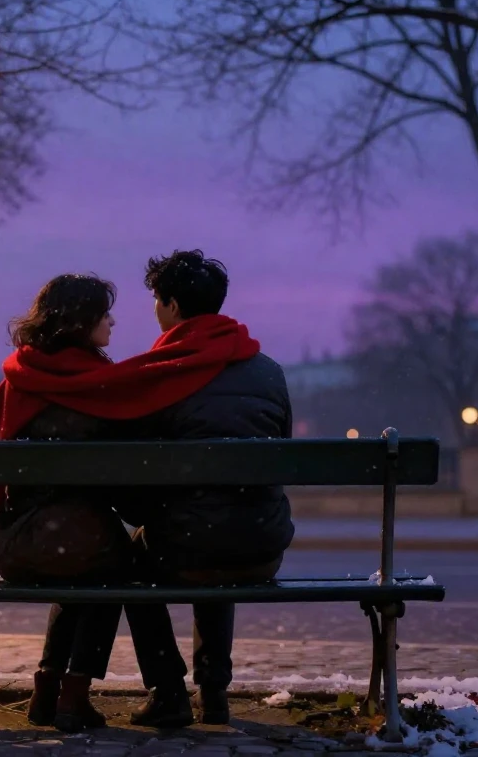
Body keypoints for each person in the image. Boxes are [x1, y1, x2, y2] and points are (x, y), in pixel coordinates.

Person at [0, 273, 262, 731]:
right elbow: (126, 489)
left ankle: (47, 690)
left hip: (15, 546)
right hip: (80, 545)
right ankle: (75, 695)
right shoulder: (102, 387)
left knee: (87, 560)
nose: (113, 322)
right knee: (114, 564)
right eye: (104, 314)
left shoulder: (18, 378)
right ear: (83, 322)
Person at [119, 250, 295, 728]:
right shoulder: (268, 370)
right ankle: (213, 690)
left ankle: (168, 689)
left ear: (172, 305)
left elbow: (137, 476)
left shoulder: (160, 372)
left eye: (157, 301)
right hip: (261, 544)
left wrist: (145, 514)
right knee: (218, 527)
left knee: (135, 559)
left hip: (188, 547)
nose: (155, 312)